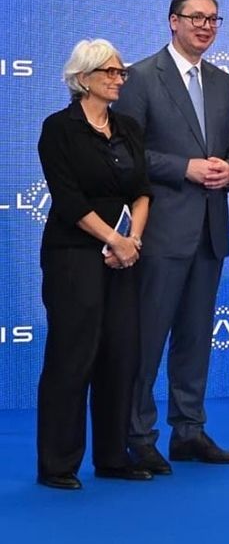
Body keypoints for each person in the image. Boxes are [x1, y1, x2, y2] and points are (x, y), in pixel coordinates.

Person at [116, 0, 229, 472]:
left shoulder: (223, 82)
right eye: (196, 18)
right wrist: (184, 168)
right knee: (147, 339)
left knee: (194, 340)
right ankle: (137, 434)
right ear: (173, 21)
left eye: (213, 19)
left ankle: (188, 430)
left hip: (210, 231)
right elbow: (127, 154)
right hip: (161, 232)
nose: (205, 27)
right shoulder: (139, 77)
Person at [36, 39, 152, 489]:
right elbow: (68, 199)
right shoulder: (59, 128)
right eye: (110, 72)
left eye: (121, 72)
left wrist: (131, 241)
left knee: (121, 354)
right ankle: (58, 464)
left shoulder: (128, 128)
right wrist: (113, 240)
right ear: (83, 77)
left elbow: (142, 190)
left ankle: (113, 456)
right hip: (74, 255)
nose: (118, 79)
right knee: (72, 355)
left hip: (124, 256)